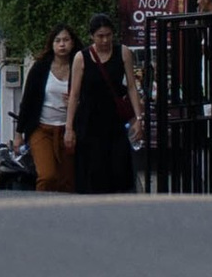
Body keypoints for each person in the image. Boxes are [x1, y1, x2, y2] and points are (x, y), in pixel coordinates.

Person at [64, 18, 141, 196]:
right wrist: (69, 127)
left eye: (108, 36)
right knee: (92, 171)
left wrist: (139, 118)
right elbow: (74, 94)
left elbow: (131, 86)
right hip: (89, 122)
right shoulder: (81, 58)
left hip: (114, 121)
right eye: (100, 36)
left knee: (118, 169)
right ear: (92, 36)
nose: (105, 41)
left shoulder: (123, 52)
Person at [16, 25, 80, 190]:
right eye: (57, 41)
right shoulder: (40, 68)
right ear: (52, 44)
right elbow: (28, 101)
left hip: (68, 130)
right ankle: (41, 208)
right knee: (47, 175)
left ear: (73, 43)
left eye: (66, 40)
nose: (62, 45)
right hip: (42, 128)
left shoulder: (79, 67)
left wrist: (75, 104)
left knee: (68, 179)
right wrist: (18, 134)